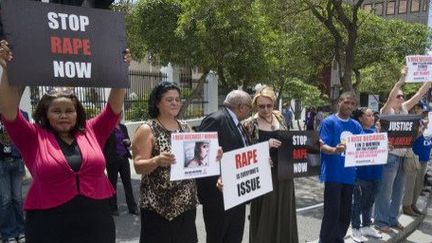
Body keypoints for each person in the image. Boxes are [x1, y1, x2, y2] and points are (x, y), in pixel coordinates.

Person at [0, 40, 129, 243]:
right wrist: (8, 72)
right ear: (45, 114)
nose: (63, 115)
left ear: (78, 114)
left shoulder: (92, 130)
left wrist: (122, 70)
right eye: (56, 111)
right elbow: (8, 113)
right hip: (49, 225)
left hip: (96, 222)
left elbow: (113, 108)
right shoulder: (33, 136)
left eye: (69, 111)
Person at [132, 82, 208, 243]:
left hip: (186, 206)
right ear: (157, 103)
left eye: (177, 99)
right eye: (169, 100)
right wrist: (156, 160)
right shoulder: (147, 129)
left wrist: (214, 155)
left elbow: (196, 160)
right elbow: (138, 166)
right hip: (157, 208)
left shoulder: (185, 127)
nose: (175, 103)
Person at [374, 66, 431, 233]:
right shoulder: (387, 111)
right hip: (390, 156)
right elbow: (393, 94)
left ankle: (392, 219)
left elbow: (419, 94)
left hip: (404, 156)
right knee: (386, 191)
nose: (400, 98)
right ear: (391, 99)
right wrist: (400, 81)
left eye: (402, 96)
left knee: (399, 191)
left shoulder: (405, 109)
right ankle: (380, 220)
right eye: (398, 96)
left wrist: (429, 79)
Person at [243, 86, 298, 243]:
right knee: (265, 216)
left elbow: (290, 140)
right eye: (261, 106)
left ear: (274, 104)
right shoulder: (249, 124)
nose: (266, 109)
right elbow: (244, 152)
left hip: (285, 174)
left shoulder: (280, 118)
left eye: (269, 105)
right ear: (255, 106)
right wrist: (264, 147)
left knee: (284, 213)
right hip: (264, 175)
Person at [196, 89, 252, 243]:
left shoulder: (238, 123)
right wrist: (219, 177)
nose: (249, 111)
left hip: (236, 194)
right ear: (241, 107)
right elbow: (201, 157)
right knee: (218, 237)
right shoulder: (216, 119)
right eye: (249, 107)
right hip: (218, 197)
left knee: (234, 237)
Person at [318, 91, 363, 243]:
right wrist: (334, 150)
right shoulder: (329, 122)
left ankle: (338, 239)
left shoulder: (356, 125)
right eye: (346, 102)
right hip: (333, 174)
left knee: (345, 212)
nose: (349, 106)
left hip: (349, 175)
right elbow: (322, 145)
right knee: (332, 211)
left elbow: (364, 146)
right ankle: (325, 240)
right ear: (339, 103)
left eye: (352, 104)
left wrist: (383, 148)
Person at [350, 107, 383, 242]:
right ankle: (355, 228)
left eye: (373, 115)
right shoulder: (357, 132)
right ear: (360, 118)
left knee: (370, 201)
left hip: (376, 172)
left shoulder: (378, 131)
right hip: (361, 174)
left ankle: (367, 225)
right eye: (368, 115)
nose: (372, 118)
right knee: (358, 202)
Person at [0, 110, 28, 243]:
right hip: (1, 162)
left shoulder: (21, 114)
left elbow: (26, 139)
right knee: (5, 200)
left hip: (17, 161)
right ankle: (8, 232)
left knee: (17, 198)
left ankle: (21, 230)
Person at [103, 117, 138, 216]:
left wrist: (128, 142)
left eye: (121, 115)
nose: (119, 117)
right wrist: (106, 159)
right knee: (112, 185)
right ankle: (113, 208)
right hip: (112, 161)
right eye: (118, 115)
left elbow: (128, 141)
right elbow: (103, 145)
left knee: (128, 184)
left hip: (124, 159)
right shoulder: (108, 128)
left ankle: (132, 207)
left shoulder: (123, 127)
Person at [402, 103, 431, 216]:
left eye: (426, 113)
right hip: (414, 156)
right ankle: (407, 205)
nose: (425, 115)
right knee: (411, 183)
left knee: (419, 183)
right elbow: (411, 139)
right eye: (423, 112)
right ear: (416, 109)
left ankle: (413, 204)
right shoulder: (414, 122)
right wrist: (422, 128)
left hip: (424, 157)